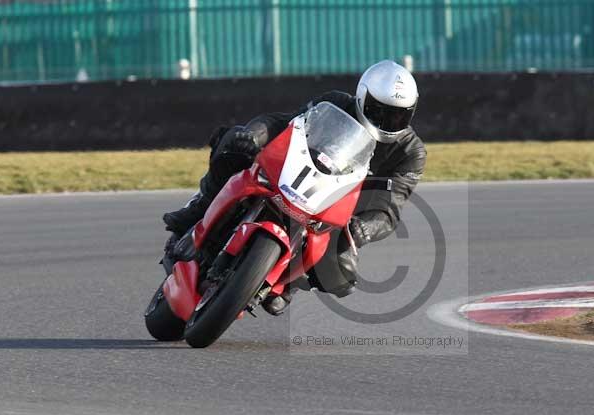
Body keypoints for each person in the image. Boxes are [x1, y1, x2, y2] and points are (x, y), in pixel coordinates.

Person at [162, 60, 427, 315]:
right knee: (233, 142)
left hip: (337, 208)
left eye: (397, 117)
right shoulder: (333, 103)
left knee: (342, 273)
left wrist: (365, 229)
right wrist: (253, 136)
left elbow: (391, 207)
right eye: (379, 111)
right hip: (295, 175)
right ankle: (199, 207)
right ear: (361, 97)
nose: (387, 122)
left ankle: (288, 284)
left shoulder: (411, 152)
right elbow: (285, 124)